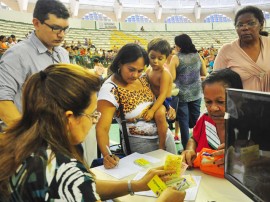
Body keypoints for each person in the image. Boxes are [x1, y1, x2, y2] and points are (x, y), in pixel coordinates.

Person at [0, 64, 186, 202]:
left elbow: (86, 186)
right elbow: (78, 183)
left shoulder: (21, 144)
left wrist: (134, 185)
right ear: (69, 118)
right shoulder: (63, 169)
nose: (94, 121)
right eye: (92, 114)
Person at [96, 43, 177, 169]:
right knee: (150, 184)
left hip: (165, 136)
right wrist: (107, 156)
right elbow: (102, 129)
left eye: (140, 70)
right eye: (131, 69)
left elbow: (156, 99)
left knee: (173, 177)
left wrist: (168, 108)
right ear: (120, 63)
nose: (135, 75)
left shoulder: (144, 78)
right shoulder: (110, 89)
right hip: (140, 144)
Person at [0, 0, 70, 127]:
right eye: (56, 28)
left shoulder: (63, 54)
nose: (62, 35)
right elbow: (2, 101)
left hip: (56, 132)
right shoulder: (17, 55)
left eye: (65, 29)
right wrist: (27, 135)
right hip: (28, 140)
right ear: (36, 23)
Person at [181, 68, 243, 167]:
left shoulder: (248, 128)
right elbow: (194, 139)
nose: (213, 108)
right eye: (208, 102)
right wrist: (190, 149)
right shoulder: (205, 119)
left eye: (220, 102)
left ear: (237, 99)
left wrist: (242, 157)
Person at [213, 6, 270, 92]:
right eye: (240, 25)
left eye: (251, 23)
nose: (245, 28)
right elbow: (216, 82)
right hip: (241, 104)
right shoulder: (226, 50)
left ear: (261, 25)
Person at [169, 34, 207, 150]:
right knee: (196, 122)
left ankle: (187, 149)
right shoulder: (197, 56)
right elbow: (204, 73)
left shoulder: (176, 58)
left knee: (184, 123)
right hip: (196, 93)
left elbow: (172, 77)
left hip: (182, 95)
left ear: (179, 46)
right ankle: (199, 146)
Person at [145, 38, 175, 150]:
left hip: (164, 100)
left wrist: (152, 110)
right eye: (152, 57)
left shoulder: (164, 74)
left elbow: (163, 95)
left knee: (159, 114)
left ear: (166, 59)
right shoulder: (148, 71)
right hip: (153, 98)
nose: (155, 61)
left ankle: (162, 144)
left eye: (160, 58)